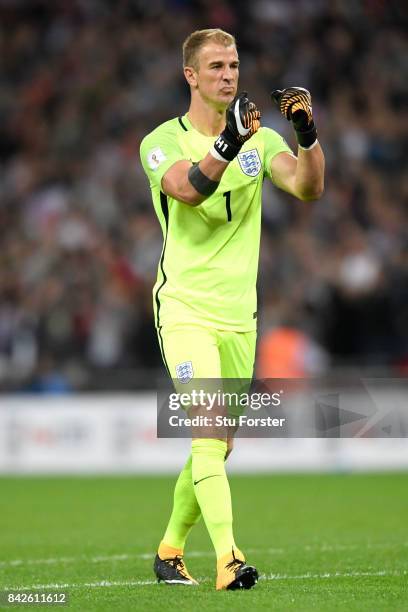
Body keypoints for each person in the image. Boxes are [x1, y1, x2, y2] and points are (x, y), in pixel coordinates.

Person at [140, 28, 324, 591]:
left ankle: (169, 551)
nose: (229, 75)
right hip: (185, 307)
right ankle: (229, 561)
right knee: (207, 431)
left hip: (238, 315)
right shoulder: (159, 142)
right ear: (190, 76)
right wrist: (228, 145)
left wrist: (306, 131)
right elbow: (188, 190)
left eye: (235, 65)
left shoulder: (263, 141)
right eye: (216, 66)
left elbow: (308, 188)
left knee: (219, 445)